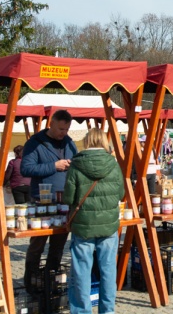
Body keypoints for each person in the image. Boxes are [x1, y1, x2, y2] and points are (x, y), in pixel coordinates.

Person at [64, 129, 124, 314]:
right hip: (108, 225)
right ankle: (107, 310)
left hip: (83, 226)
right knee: (108, 271)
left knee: (81, 271)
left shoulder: (76, 164)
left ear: (86, 141)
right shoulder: (113, 164)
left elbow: (68, 197)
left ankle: (82, 310)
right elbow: (120, 194)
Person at [21, 109, 77, 287]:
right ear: (51, 124)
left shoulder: (69, 142)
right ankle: (31, 279)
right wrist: (54, 166)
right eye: (61, 129)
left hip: (64, 200)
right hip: (42, 201)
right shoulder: (35, 143)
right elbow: (26, 169)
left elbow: (76, 162)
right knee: (37, 243)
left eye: (66, 129)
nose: (63, 133)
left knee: (59, 242)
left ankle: (51, 279)